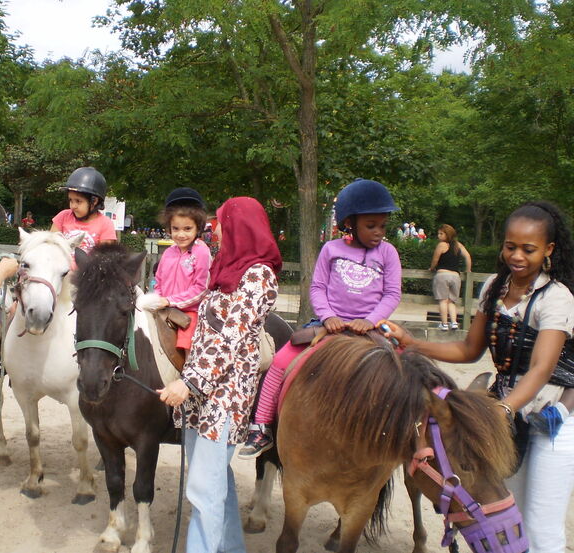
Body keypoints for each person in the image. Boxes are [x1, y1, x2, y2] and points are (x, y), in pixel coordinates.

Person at [382, 201, 574, 553]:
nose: (517, 256)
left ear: (548, 250)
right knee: (504, 512)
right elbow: (470, 349)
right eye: (510, 246)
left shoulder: (557, 298)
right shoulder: (494, 289)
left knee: (542, 529)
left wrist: (502, 411)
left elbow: (541, 369)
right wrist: (412, 344)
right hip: (507, 413)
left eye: (528, 249)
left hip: (550, 414)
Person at [239, 178, 402, 458]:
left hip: (370, 326)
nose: (378, 232)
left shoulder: (387, 253)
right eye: (371, 226)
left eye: (382, 226)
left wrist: (371, 319)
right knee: (280, 361)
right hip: (329, 324)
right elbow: (317, 288)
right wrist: (327, 317)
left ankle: (404, 433)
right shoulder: (331, 250)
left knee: (405, 368)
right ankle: (262, 426)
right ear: (350, 223)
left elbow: (392, 293)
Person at [156, 197, 281, 553]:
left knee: (202, 490)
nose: (216, 227)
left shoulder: (259, 275)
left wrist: (189, 381)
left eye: (222, 221)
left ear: (240, 225)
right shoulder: (227, 266)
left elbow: (232, 336)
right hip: (202, 395)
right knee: (215, 482)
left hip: (224, 397)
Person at [142, 188, 211, 356]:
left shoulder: (202, 252)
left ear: (198, 228)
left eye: (187, 229)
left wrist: (170, 301)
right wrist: (158, 299)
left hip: (190, 312)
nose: (181, 234)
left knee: (188, 346)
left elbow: (201, 289)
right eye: (176, 228)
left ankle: (189, 378)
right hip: (164, 307)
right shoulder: (168, 252)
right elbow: (158, 281)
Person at [50, 167, 116, 253]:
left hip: (90, 266)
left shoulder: (106, 224)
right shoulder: (63, 216)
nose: (73, 206)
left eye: (78, 201)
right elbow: (50, 247)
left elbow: (105, 259)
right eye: (70, 200)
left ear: (94, 201)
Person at [429, 224, 472, 330]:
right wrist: (468, 270)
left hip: (442, 274)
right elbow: (468, 257)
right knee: (452, 301)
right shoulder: (458, 245)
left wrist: (431, 268)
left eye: (441, 233)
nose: (438, 236)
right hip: (455, 276)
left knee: (443, 300)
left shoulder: (441, 245)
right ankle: (454, 322)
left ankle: (444, 324)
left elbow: (435, 260)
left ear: (447, 234)